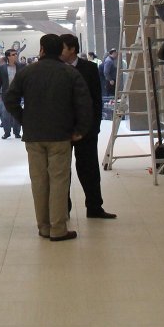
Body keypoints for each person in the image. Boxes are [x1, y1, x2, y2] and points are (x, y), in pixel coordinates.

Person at [4, 34, 93, 241]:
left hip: (34, 136)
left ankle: (43, 226)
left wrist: (24, 119)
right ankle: (58, 228)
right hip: (60, 135)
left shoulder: (27, 72)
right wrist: (80, 129)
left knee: (39, 181)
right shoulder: (70, 73)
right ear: (60, 50)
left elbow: (10, 99)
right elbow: (84, 103)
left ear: (42, 49)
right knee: (59, 180)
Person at [59, 34, 115, 219]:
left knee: (89, 169)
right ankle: (63, 209)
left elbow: (96, 99)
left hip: (86, 129)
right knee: (62, 171)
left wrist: (94, 126)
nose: (60, 51)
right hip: (63, 129)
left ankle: (94, 207)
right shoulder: (56, 68)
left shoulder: (89, 68)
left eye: (62, 48)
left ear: (72, 49)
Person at [0, 48, 23, 139]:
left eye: (16, 54)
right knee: (5, 114)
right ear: (8, 57)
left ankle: (17, 132)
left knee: (17, 114)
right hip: (5, 94)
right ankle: (7, 132)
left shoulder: (21, 67)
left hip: (17, 94)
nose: (15, 56)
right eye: (13, 54)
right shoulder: (1, 68)